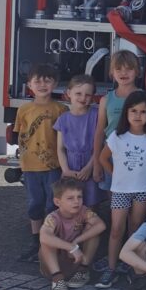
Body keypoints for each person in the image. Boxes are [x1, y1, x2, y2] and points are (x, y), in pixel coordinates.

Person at [95, 90, 146, 288]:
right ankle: (111, 267)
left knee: (136, 228)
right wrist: (115, 174)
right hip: (120, 190)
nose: (137, 115)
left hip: (143, 190)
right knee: (116, 229)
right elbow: (102, 158)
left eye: (143, 111)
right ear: (126, 113)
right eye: (133, 111)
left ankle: (131, 264)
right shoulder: (117, 136)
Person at [14, 62, 67, 262]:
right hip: (30, 166)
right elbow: (21, 135)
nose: (42, 85)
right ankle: (35, 241)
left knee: (52, 204)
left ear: (55, 84)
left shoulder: (60, 109)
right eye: (38, 81)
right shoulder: (24, 109)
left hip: (53, 165)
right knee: (34, 203)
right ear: (29, 85)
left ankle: (51, 240)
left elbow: (64, 139)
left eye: (47, 81)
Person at [38, 177, 106, 290]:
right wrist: (71, 247)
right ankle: (57, 280)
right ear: (57, 202)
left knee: (92, 227)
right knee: (47, 238)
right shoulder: (53, 217)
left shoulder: (84, 211)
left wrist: (76, 241)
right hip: (54, 265)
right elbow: (44, 237)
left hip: (77, 261)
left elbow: (101, 225)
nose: (76, 201)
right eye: (70, 198)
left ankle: (83, 271)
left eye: (79, 197)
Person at [92, 50, 140, 192]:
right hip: (110, 154)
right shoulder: (106, 100)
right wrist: (96, 162)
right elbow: (100, 131)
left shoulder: (143, 97)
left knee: (135, 193)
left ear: (137, 71)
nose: (123, 73)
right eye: (118, 69)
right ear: (111, 72)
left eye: (129, 68)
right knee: (113, 194)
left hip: (136, 154)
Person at [53, 74, 101, 207]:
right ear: (69, 93)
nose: (83, 98)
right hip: (71, 167)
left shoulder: (96, 116)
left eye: (87, 95)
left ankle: (90, 227)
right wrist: (66, 170)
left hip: (89, 164)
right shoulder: (63, 119)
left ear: (92, 97)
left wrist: (89, 168)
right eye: (78, 93)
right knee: (71, 204)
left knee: (90, 205)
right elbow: (61, 148)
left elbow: (100, 145)